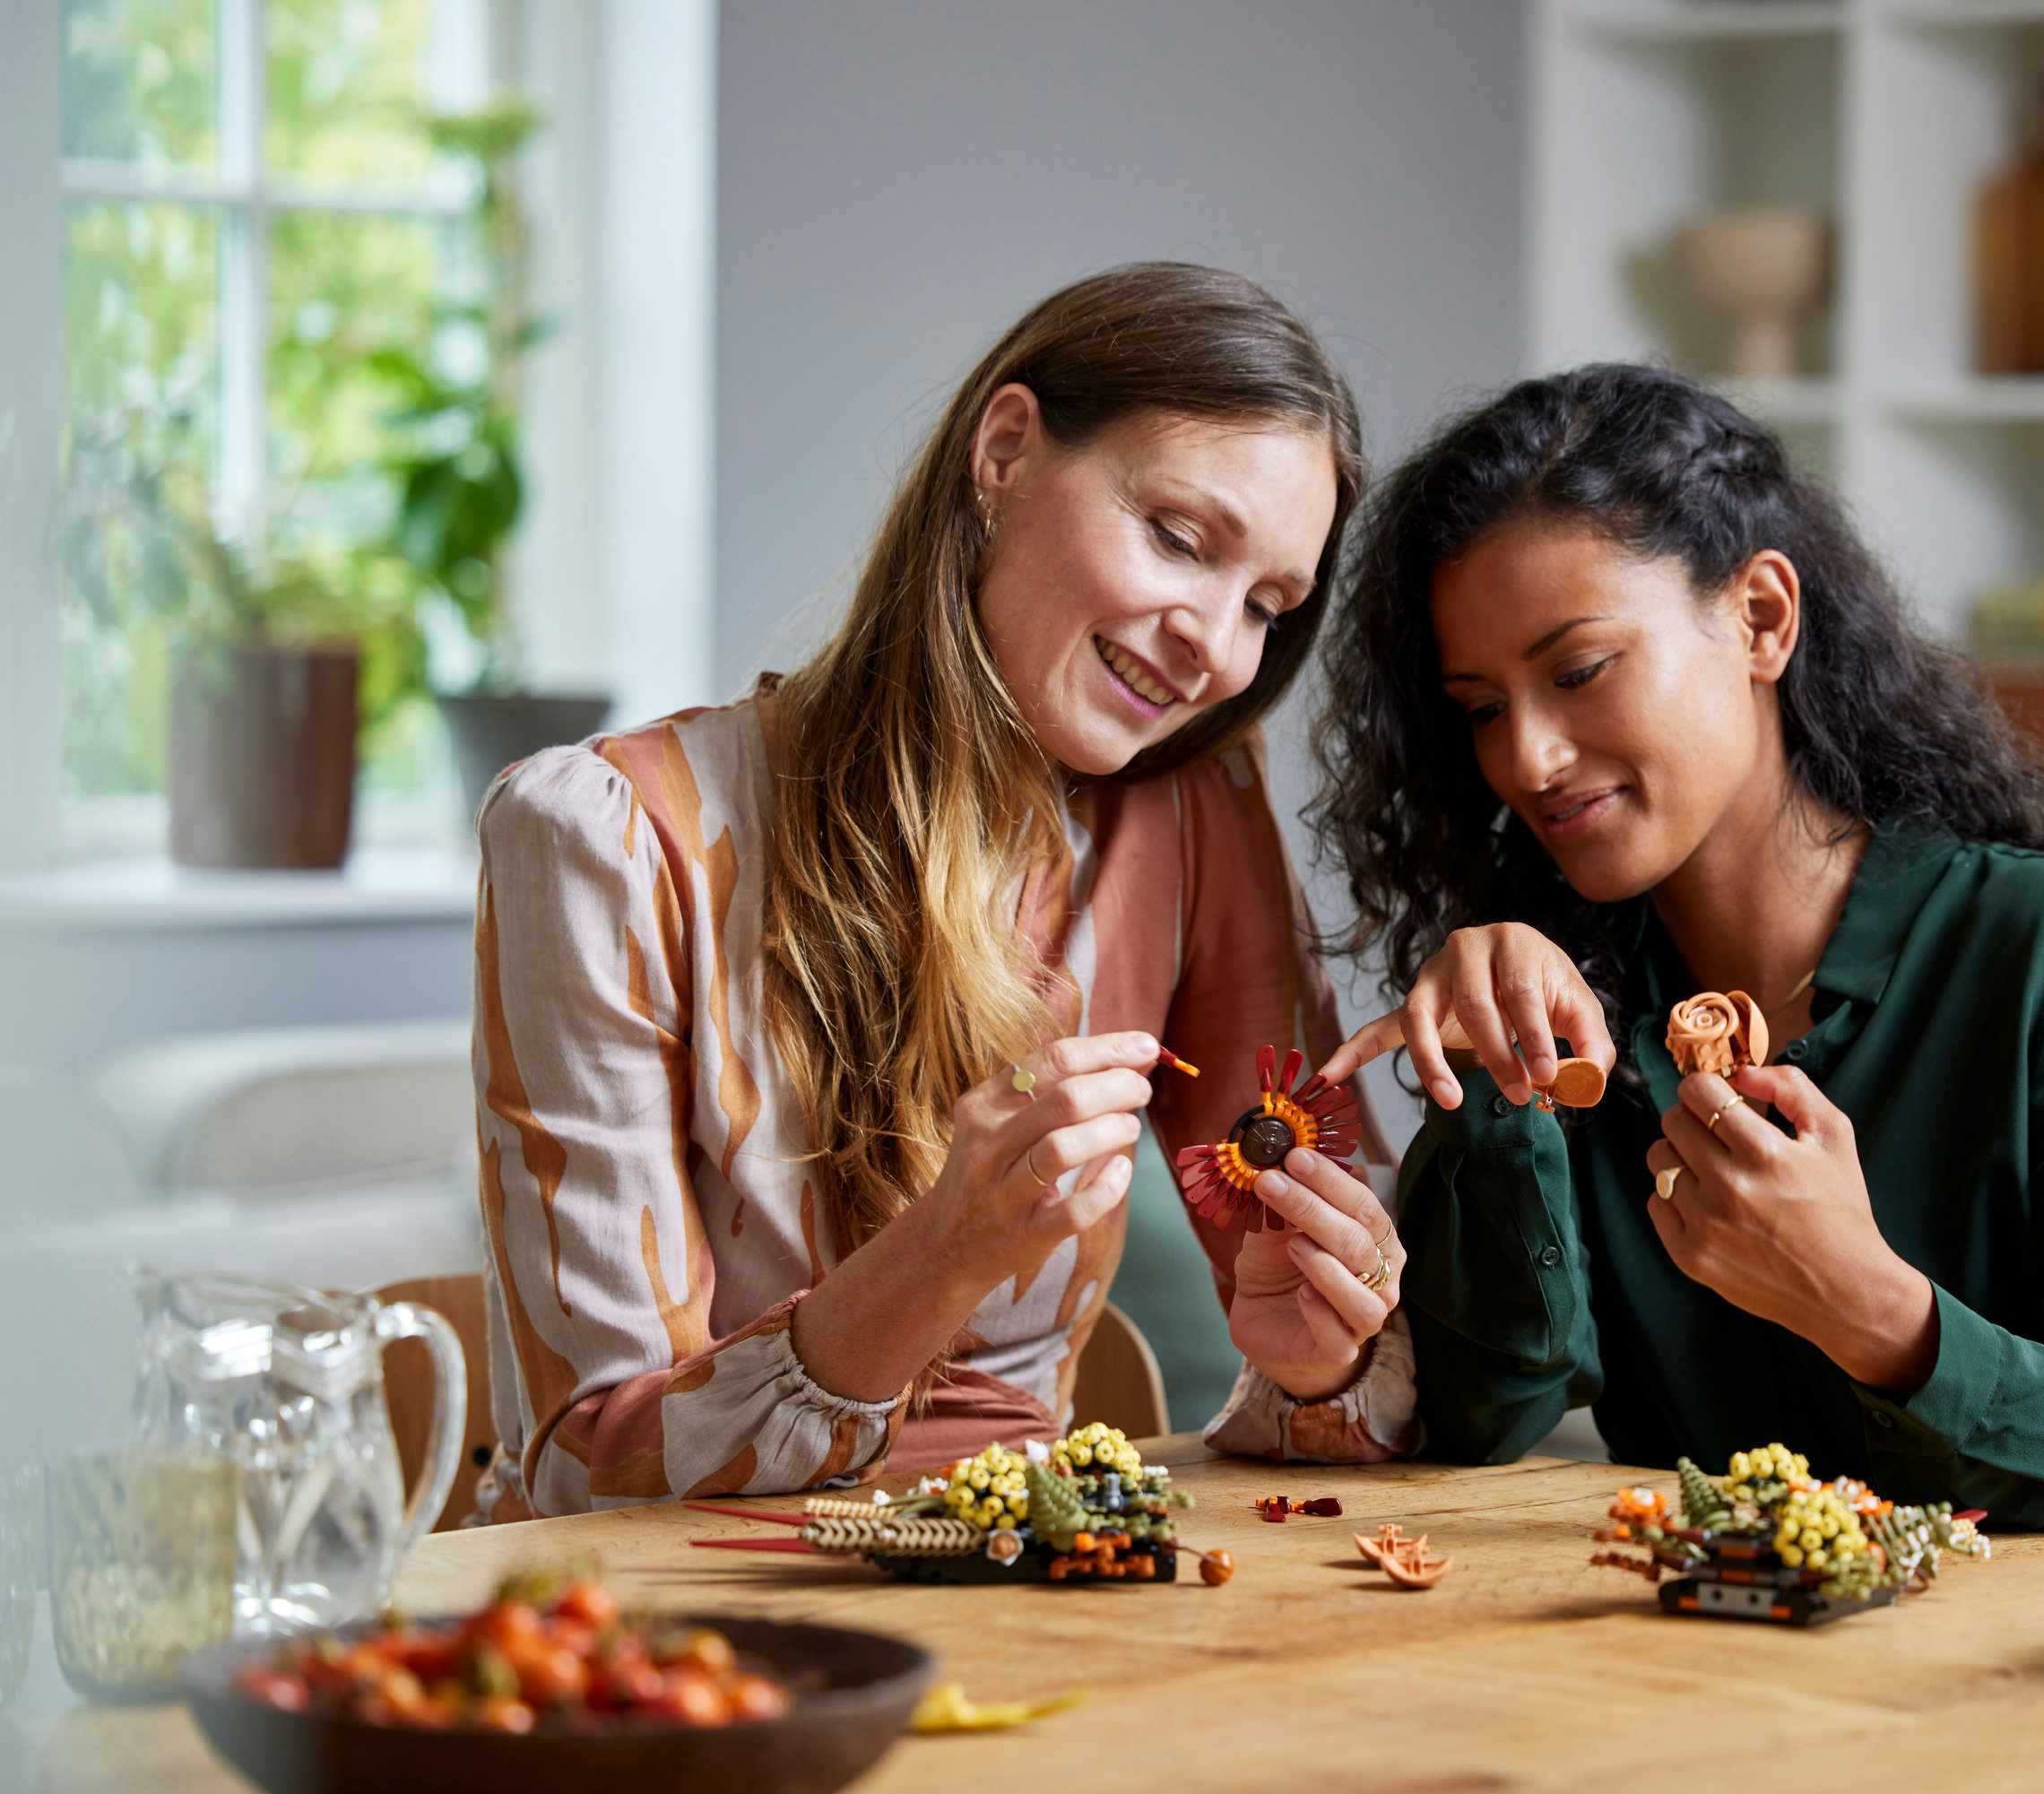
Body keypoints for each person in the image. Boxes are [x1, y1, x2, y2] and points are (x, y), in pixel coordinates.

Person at [470, 265, 1414, 1520]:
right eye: (1181, 540)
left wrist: (1326, 1355)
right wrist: (939, 1253)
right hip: (678, 1644)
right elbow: (587, 1467)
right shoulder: (605, 840)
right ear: (1007, 451)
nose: (1219, 647)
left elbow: (1370, 1357)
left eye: (1267, 606)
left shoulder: (1188, 816)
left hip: (1024, 1599)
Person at [1300, 364, 2044, 1532]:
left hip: (2022, 1692)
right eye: (1482, 706)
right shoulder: (1577, 1004)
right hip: (1684, 1673)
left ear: (1761, 617)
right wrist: (1503, 1091)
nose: (1530, 758)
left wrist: (1874, 1310)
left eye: (1578, 670)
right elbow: (1482, 1420)